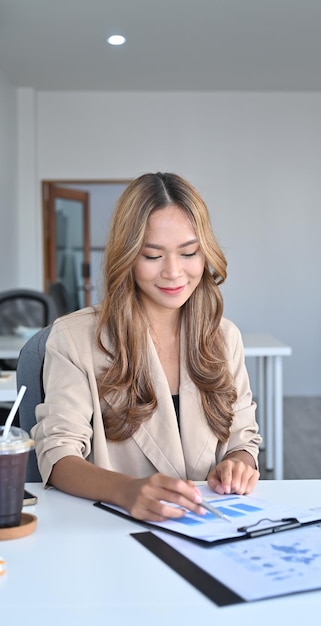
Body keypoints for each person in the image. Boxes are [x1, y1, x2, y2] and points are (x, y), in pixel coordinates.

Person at [32, 172, 261, 522]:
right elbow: (58, 456)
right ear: (127, 257)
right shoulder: (74, 338)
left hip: (211, 526)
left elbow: (243, 439)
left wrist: (238, 464)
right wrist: (126, 490)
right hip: (113, 528)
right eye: (153, 256)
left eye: (188, 253)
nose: (173, 272)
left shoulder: (224, 337)